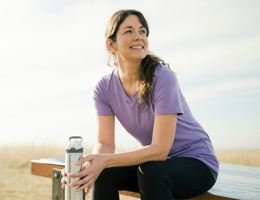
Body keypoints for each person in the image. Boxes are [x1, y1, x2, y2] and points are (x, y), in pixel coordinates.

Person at [61, 9, 219, 200]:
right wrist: (92, 166)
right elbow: (105, 143)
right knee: (105, 172)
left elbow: (160, 150)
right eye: (129, 31)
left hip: (198, 164)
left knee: (151, 171)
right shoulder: (104, 88)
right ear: (111, 44)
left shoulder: (163, 78)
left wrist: (104, 161)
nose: (138, 37)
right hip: (155, 166)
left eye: (142, 31)